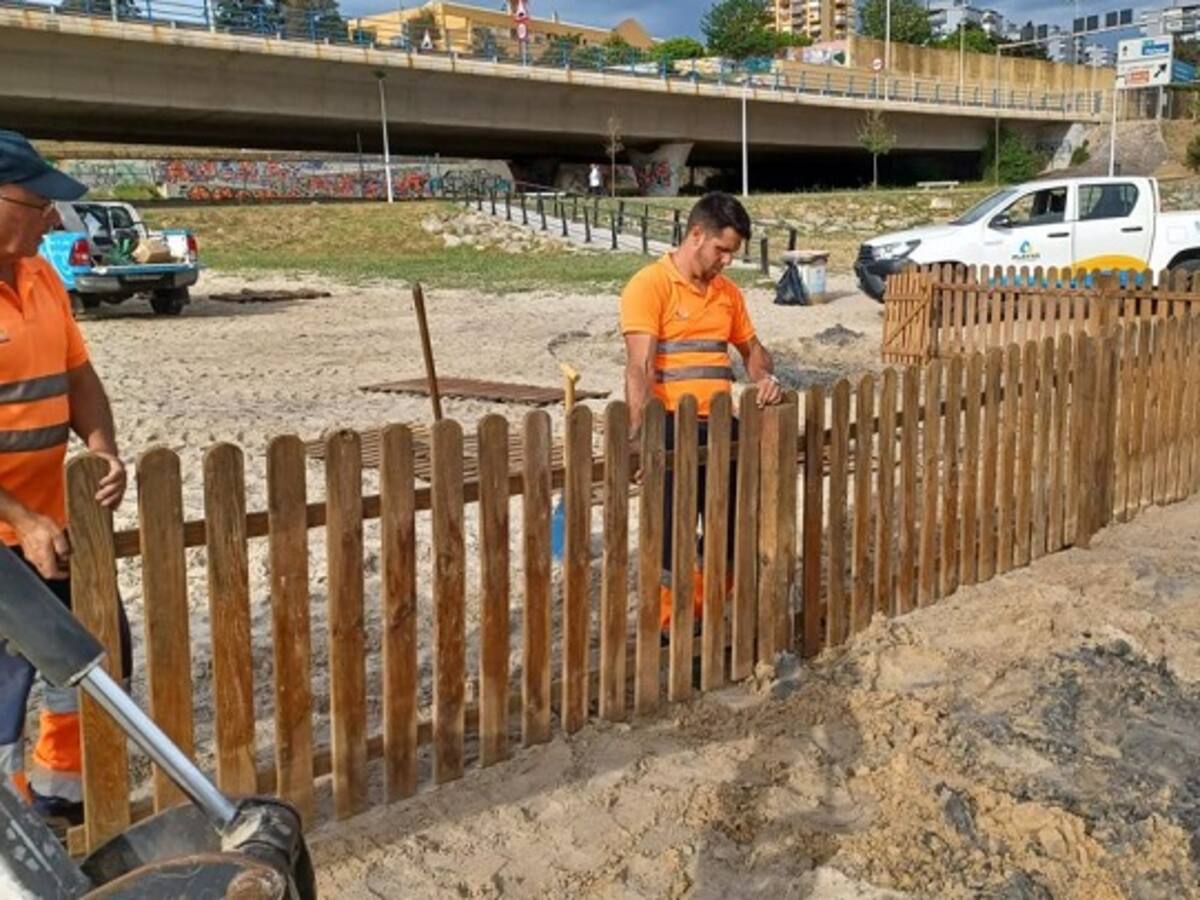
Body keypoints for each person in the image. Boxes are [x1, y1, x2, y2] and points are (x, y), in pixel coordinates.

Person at [0, 130, 130, 834]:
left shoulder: (43, 275)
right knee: (4, 693)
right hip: (12, 535)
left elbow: (77, 375)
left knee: (87, 663)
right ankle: (11, 835)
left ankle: (62, 805)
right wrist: (19, 519)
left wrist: (103, 445)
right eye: (38, 201)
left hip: (52, 531)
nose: (53, 216)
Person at [620, 192, 783, 634]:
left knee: (731, 523)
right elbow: (638, 367)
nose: (727, 261)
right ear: (696, 235)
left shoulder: (727, 294)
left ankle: (710, 607)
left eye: (732, 252)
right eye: (722, 250)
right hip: (672, 425)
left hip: (722, 425)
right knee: (672, 533)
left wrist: (763, 376)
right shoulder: (648, 286)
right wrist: (638, 438)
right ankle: (673, 626)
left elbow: (752, 351)